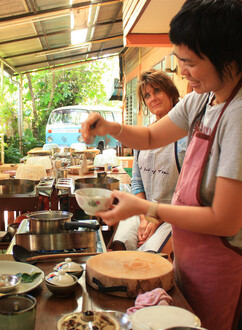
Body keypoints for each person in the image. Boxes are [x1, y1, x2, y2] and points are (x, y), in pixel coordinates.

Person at [81, 1, 242, 329]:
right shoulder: (202, 100)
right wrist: (111, 128)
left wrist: (147, 208)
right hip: (188, 252)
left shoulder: (238, 116)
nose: (181, 72)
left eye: (189, 63)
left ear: (227, 56)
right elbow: (153, 136)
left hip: (220, 263)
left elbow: (224, 220)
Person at [111, 69, 187, 252]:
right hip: (143, 210)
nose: (152, 98)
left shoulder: (186, 135)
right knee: (119, 245)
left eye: (157, 91)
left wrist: (156, 219)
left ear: (170, 92)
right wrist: (145, 217)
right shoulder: (143, 136)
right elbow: (137, 182)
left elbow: (187, 191)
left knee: (147, 256)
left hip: (173, 215)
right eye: (147, 95)